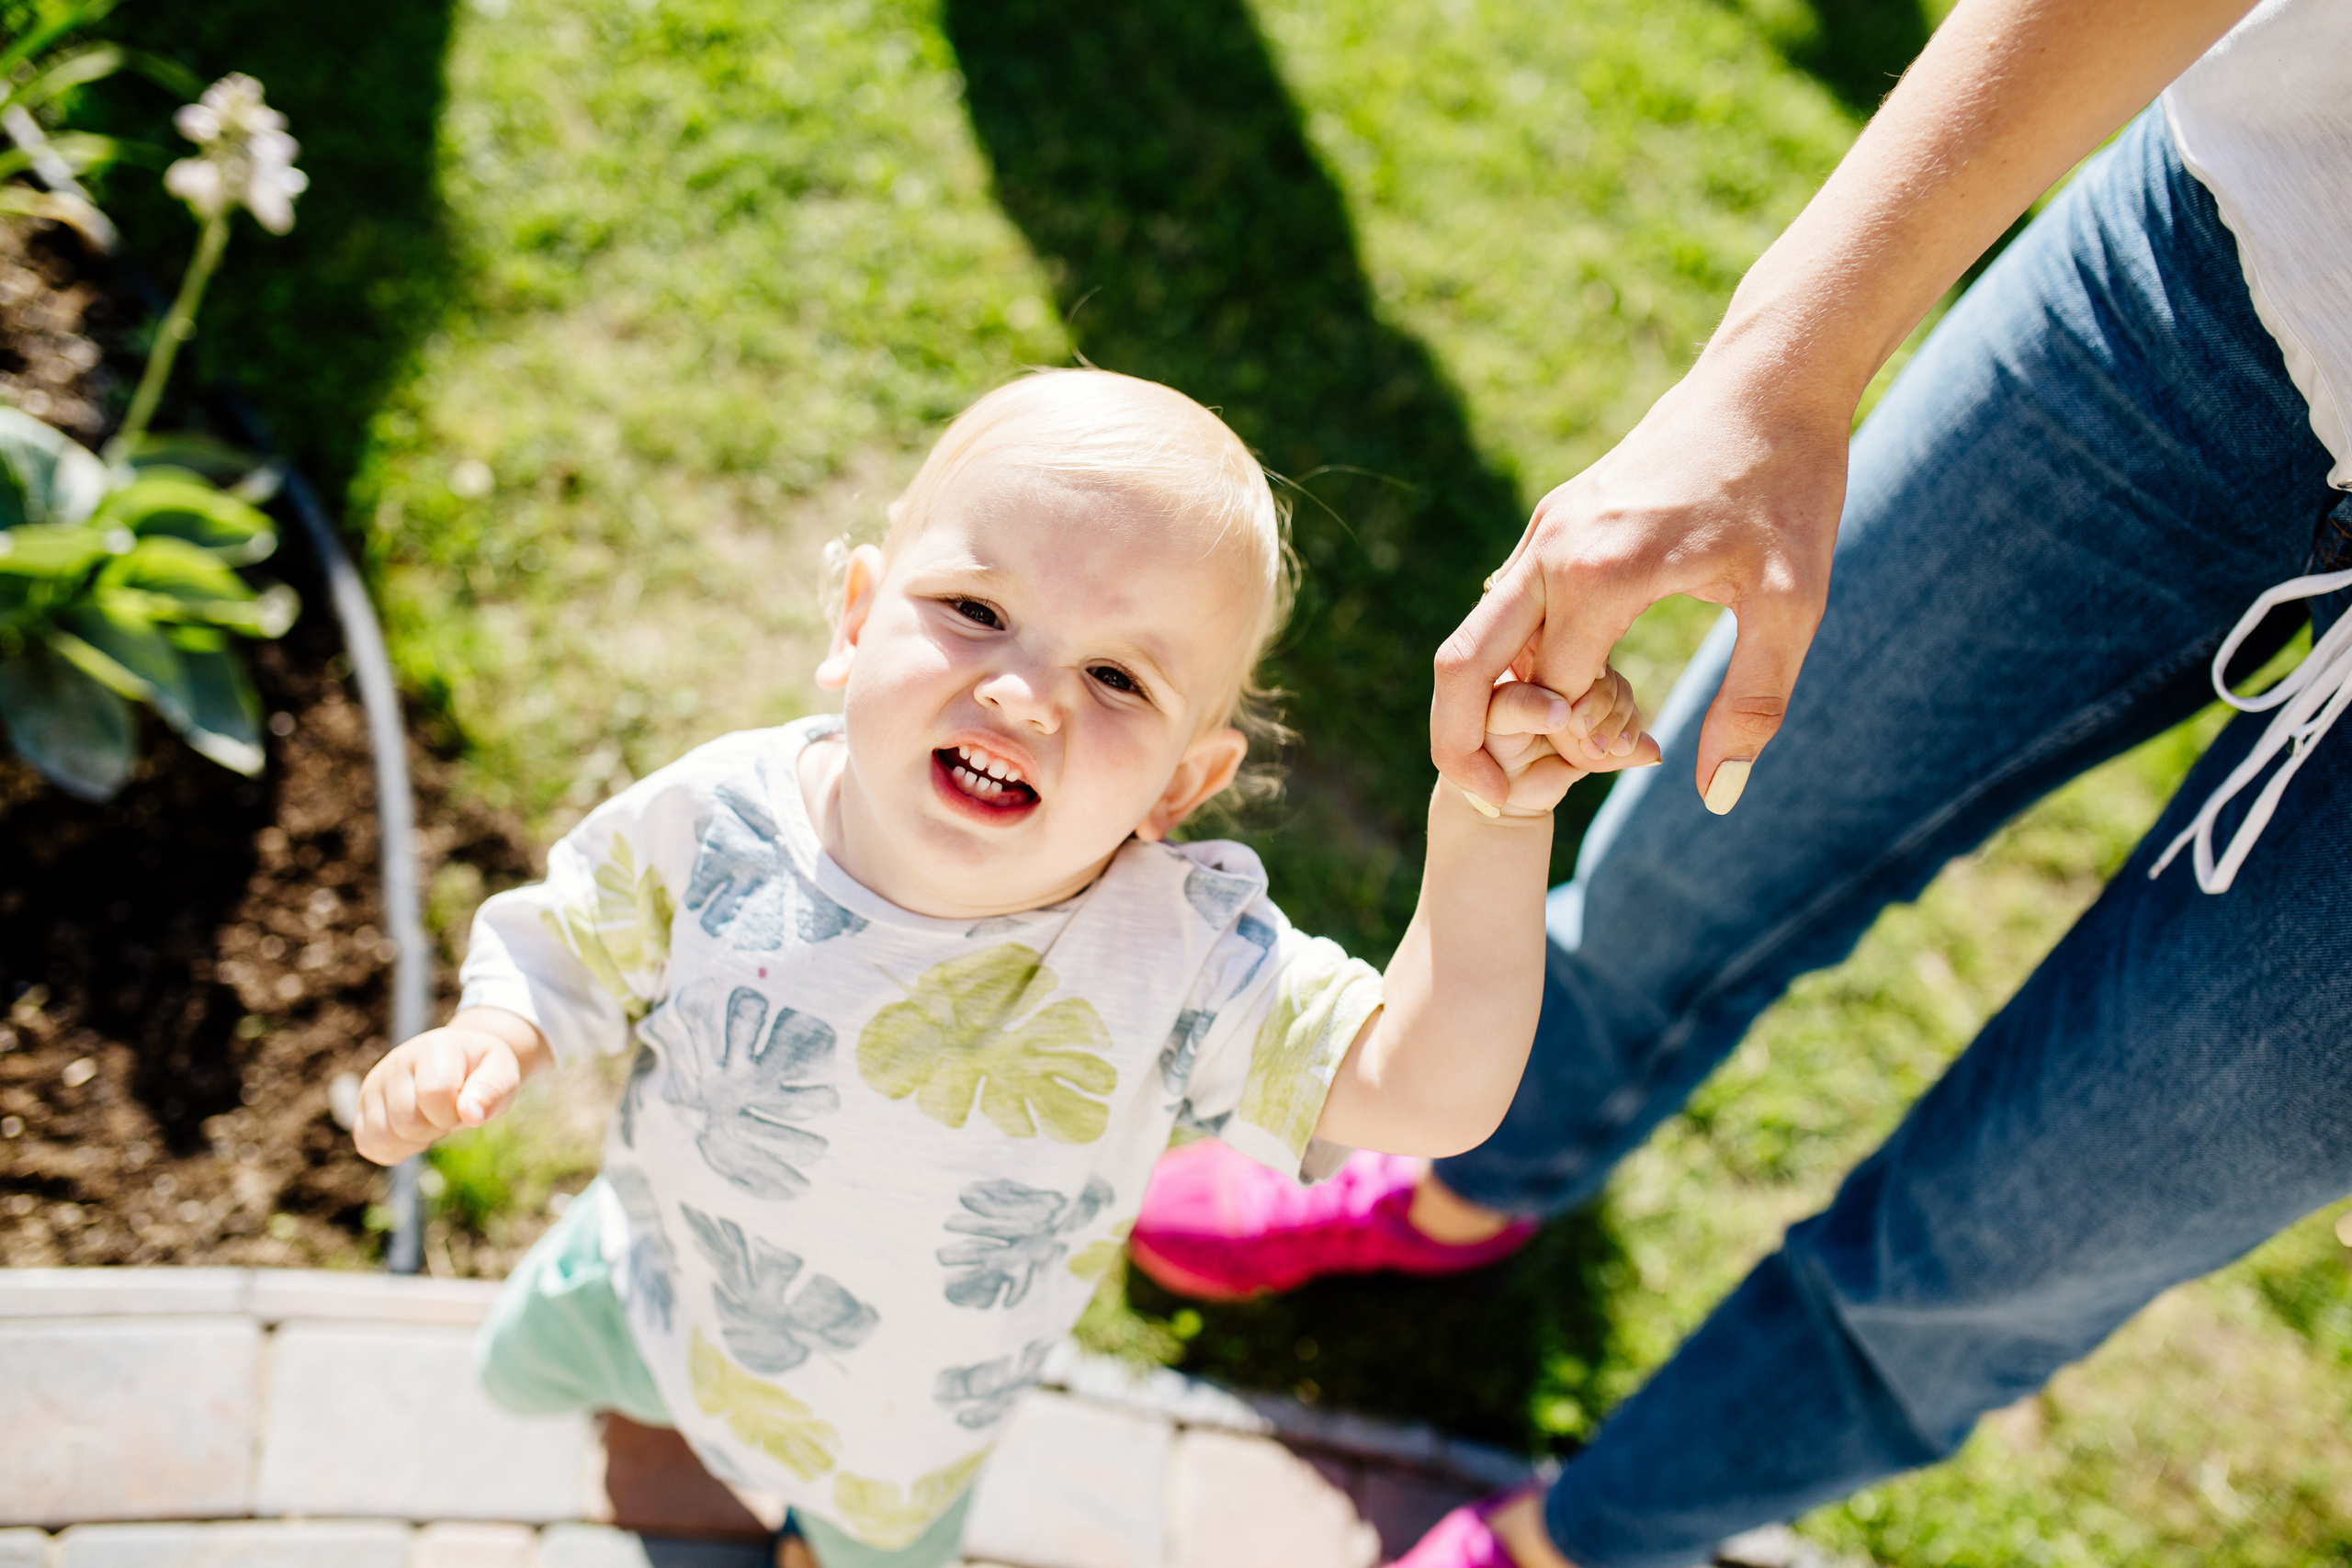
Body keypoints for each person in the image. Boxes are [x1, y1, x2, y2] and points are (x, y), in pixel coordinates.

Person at [1127, 0, 2352, 1562]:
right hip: (2231, 277)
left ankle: (1578, 1541)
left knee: (2019, 1232)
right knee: (1690, 863)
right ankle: (1459, 1190)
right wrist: (1787, 361)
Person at [351, 368, 1657, 1568]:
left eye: (1115, 677)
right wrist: (497, 1036)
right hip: (656, 1286)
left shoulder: (1177, 963)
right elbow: (573, 932)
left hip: (895, 1440)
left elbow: (1429, 1094)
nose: (1027, 696)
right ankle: (651, 1450)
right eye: (977, 611)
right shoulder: (725, 819)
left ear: (1181, 786)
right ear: (857, 622)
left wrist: (1489, 826)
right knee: (569, 1396)